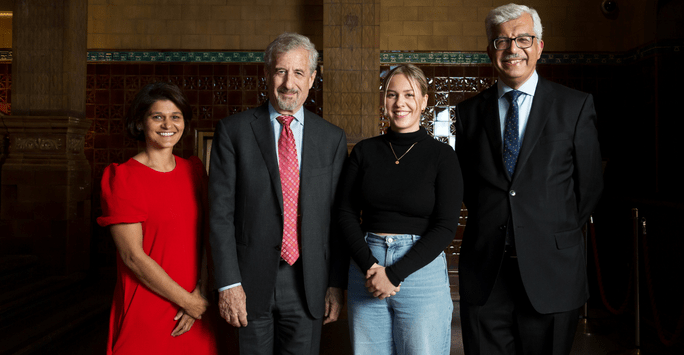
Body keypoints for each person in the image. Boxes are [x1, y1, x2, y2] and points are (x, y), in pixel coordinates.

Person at [455, 3, 604, 354]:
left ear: (539, 46)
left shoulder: (575, 106)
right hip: (486, 274)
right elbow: (469, 188)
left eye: (523, 39)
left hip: (553, 273)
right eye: (501, 41)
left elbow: (590, 187)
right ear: (490, 50)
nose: (512, 49)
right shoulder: (468, 113)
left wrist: (545, 230)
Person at [208, 32, 348, 355]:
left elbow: (339, 219)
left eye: (299, 73)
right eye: (280, 71)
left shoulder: (332, 140)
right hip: (247, 283)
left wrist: (335, 285)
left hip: (308, 284)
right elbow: (220, 214)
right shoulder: (234, 132)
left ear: (312, 78)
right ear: (266, 74)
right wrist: (228, 284)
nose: (289, 83)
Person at [337, 64, 463, 355]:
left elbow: (445, 227)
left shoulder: (442, 156)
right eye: (392, 95)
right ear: (384, 101)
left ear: (423, 100)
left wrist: (394, 274)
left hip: (419, 271)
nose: (400, 103)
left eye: (409, 94)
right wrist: (371, 267)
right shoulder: (364, 152)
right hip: (366, 268)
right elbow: (344, 213)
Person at [97, 82, 217, 355]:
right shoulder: (123, 178)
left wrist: (200, 292)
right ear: (140, 123)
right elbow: (133, 257)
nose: (168, 124)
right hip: (149, 304)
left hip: (195, 305)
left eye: (176, 116)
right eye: (157, 116)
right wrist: (185, 301)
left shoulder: (194, 171)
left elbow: (208, 236)